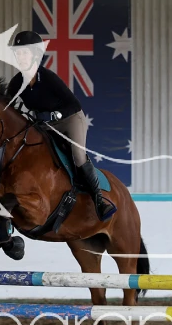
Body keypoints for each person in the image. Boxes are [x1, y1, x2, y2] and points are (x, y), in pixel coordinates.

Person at [7, 30, 116, 222]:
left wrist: (52, 115)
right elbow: (7, 109)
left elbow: (74, 105)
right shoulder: (16, 83)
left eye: (25, 53)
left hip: (71, 119)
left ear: (35, 55)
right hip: (46, 125)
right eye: (18, 53)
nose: (21, 57)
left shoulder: (48, 78)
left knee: (78, 156)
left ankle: (99, 200)